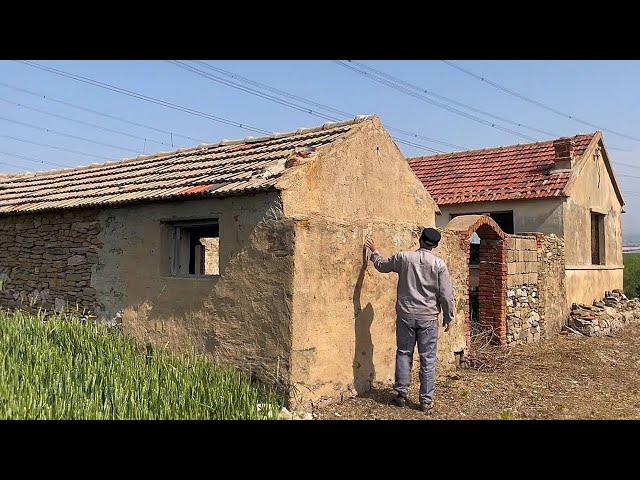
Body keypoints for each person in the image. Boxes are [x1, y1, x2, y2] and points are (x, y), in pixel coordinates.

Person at [364, 227, 455, 412]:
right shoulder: (439, 264)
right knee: (428, 359)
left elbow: (382, 266)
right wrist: (448, 316)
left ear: (420, 240)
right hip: (428, 317)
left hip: (405, 315)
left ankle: (401, 394)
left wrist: (374, 252)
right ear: (436, 245)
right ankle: (426, 400)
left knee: (404, 353)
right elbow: (446, 295)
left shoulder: (404, 258)